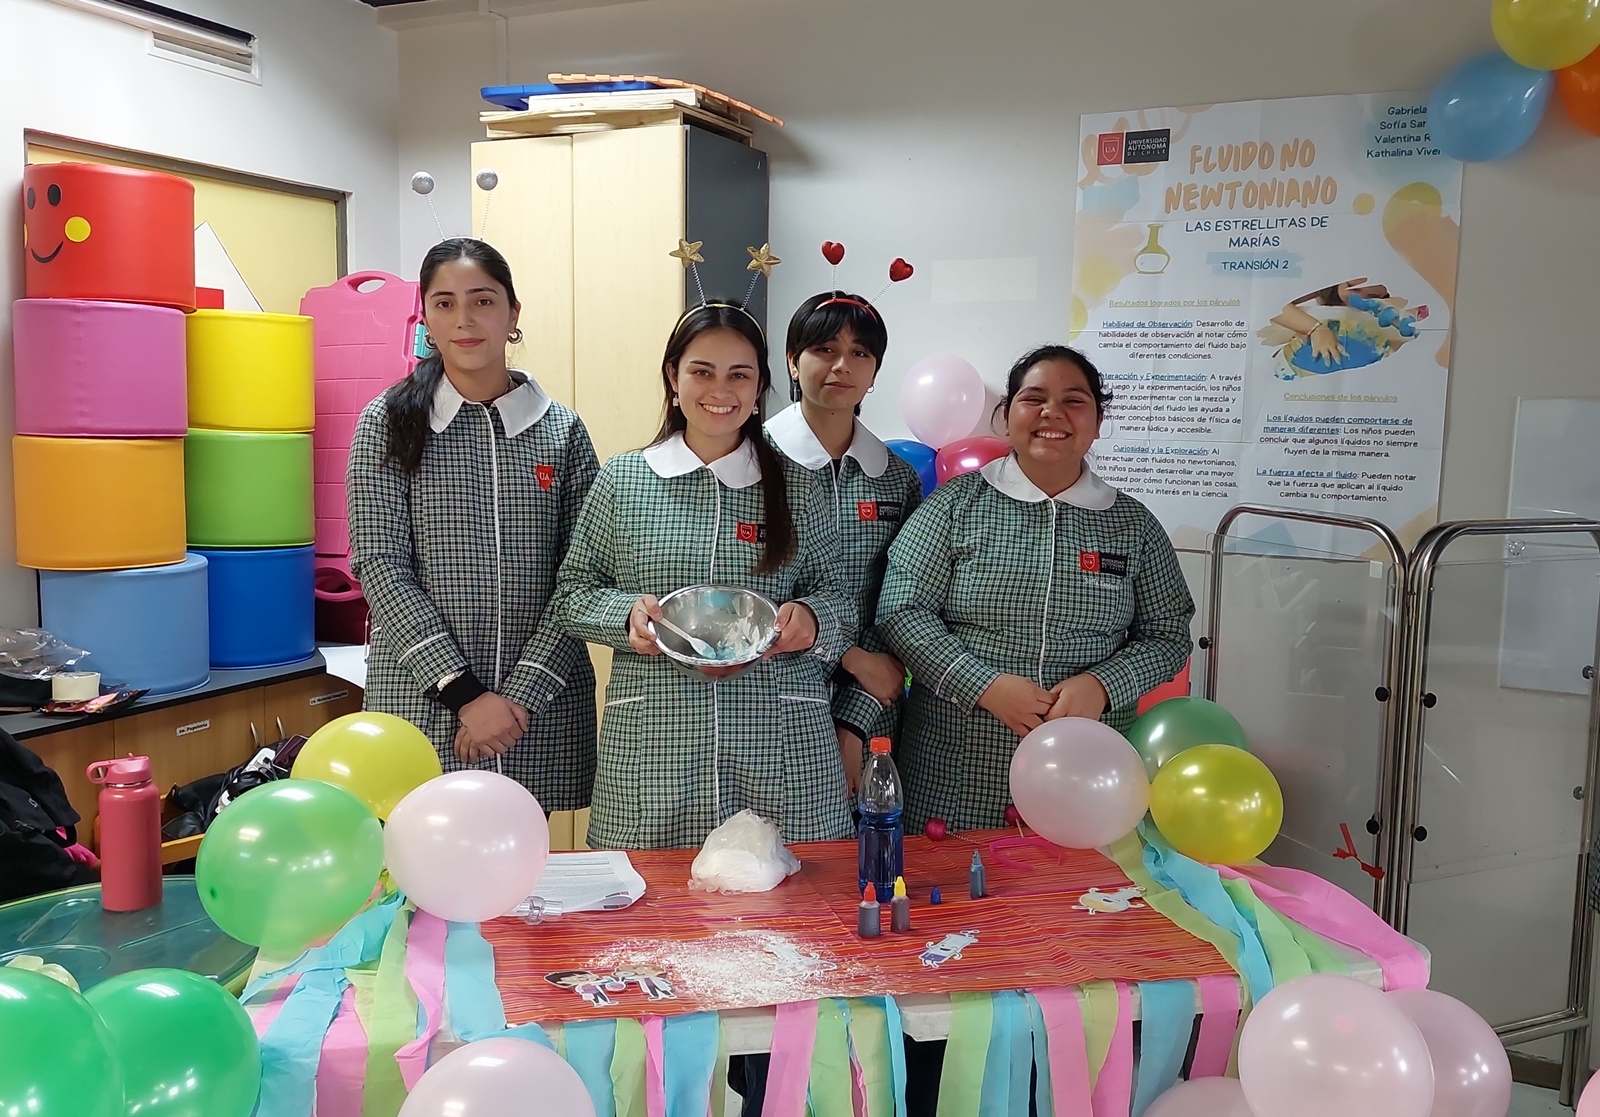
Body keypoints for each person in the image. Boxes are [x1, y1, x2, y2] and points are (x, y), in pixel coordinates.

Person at [552, 301, 858, 851]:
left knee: (790, 915)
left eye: (739, 374)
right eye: (702, 371)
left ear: (761, 384)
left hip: (778, 735)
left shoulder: (798, 485)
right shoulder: (624, 481)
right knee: (653, 920)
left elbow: (841, 597)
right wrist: (625, 616)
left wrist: (811, 621)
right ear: (673, 377)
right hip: (659, 737)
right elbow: (571, 595)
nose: (721, 389)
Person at [878, 343, 1194, 834]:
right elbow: (902, 610)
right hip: (956, 766)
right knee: (955, 904)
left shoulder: (1133, 525)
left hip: (1087, 777)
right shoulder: (955, 506)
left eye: (1073, 400)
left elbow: (1168, 634)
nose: (1052, 413)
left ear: (1097, 420)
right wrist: (983, 686)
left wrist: (1104, 686)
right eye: (1034, 399)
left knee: (1080, 905)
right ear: (1005, 416)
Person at [346, 237, 598, 814]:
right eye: (444, 303)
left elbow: (583, 574)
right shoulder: (387, 424)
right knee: (423, 867)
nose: (464, 320)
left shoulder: (561, 432)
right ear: (426, 318)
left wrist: (519, 699)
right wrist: (464, 696)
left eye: (483, 301)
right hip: (425, 699)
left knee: (528, 883)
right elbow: (380, 566)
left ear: (513, 314)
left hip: (539, 704)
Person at [765, 291, 924, 794]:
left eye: (860, 353)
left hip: (871, 701)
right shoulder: (753, 463)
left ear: (875, 371)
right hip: (768, 692)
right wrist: (850, 656)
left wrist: (853, 724)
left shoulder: (895, 479)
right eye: (824, 349)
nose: (842, 366)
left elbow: (900, 600)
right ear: (793, 361)